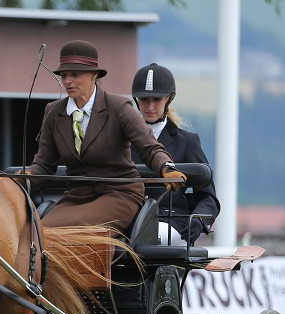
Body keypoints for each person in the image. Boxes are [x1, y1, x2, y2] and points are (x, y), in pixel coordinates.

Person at [22, 41, 185, 235]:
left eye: (75, 74)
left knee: (61, 232)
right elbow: (44, 164)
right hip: (76, 198)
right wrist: (24, 180)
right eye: (64, 75)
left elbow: (149, 147)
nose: (67, 81)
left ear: (94, 75)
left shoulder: (118, 107)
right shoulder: (53, 112)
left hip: (120, 195)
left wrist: (166, 168)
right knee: (35, 236)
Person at [130, 63, 220, 246]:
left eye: (157, 100)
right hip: (127, 219)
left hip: (169, 223)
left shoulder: (187, 142)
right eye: (144, 100)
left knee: (147, 239)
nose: (150, 106)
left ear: (169, 99)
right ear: (136, 99)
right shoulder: (122, 141)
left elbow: (208, 196)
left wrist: (199, 220)